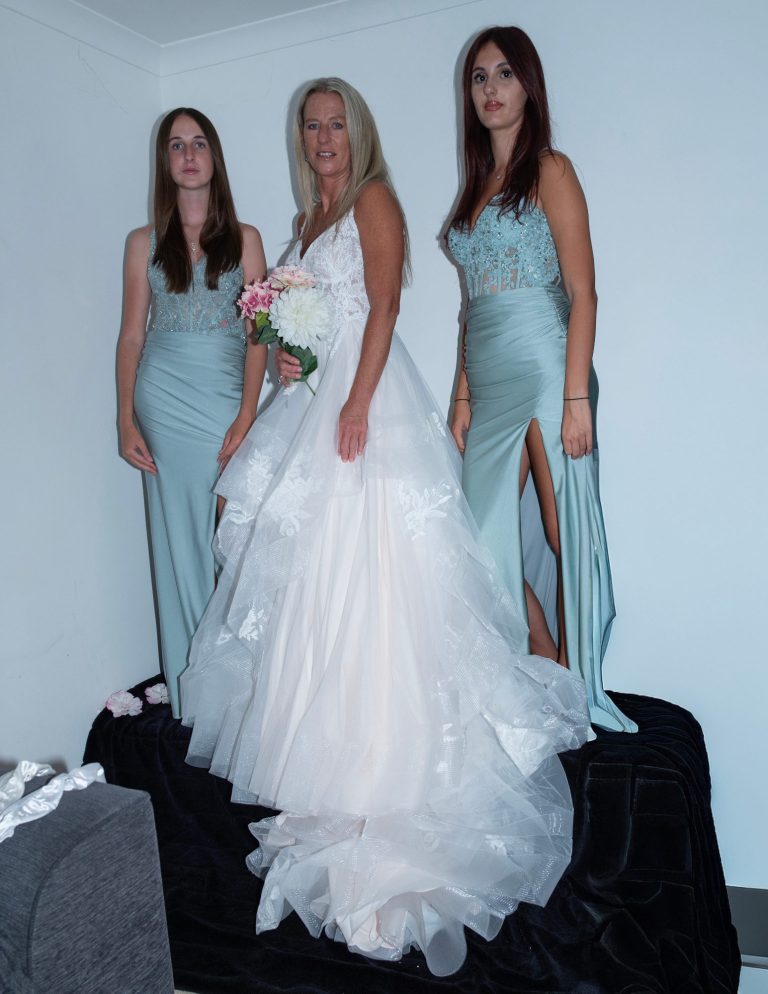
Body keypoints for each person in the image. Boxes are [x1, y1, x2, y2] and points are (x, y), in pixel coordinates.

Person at [181, 78, 592, 977]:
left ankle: (396, 775)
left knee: (383, 581)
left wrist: (358, 402)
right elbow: (310, 335)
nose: (325, 138)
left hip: (368, 411)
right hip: (317, 403)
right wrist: (294, 360)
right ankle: (329, 772)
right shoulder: (303, 220)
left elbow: (386, 305)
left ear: (356, 134)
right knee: (318, 589)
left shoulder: (372, 198)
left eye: (337, 125)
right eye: (312, 127)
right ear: (302, 140)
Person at [446, 27, 637, 733]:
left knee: (564, 533)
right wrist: (462, 393)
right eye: (478, 77)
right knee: (473, 539)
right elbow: (470, 305)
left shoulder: (551, 170)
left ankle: (579, 683)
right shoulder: (474, 187)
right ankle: (545, 659)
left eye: (504, 74)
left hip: (547, 362)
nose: (491, 89)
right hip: (489, 372)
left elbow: (584, 292)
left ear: (528, 86)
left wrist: (575, 398)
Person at [116, 107, 267, 718]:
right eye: (176, 145)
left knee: (236, 543)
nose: (187, 154)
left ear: (214, 157)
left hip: (229, 400)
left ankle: (243, 693)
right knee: (179, 543)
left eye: (198, 142)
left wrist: (249, 414)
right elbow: (131, 335)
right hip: (164, 399)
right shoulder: (142, 243)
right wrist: (125, 419)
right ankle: (195, 697)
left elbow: (260, 336)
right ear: (165, 163)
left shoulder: (247, 240)